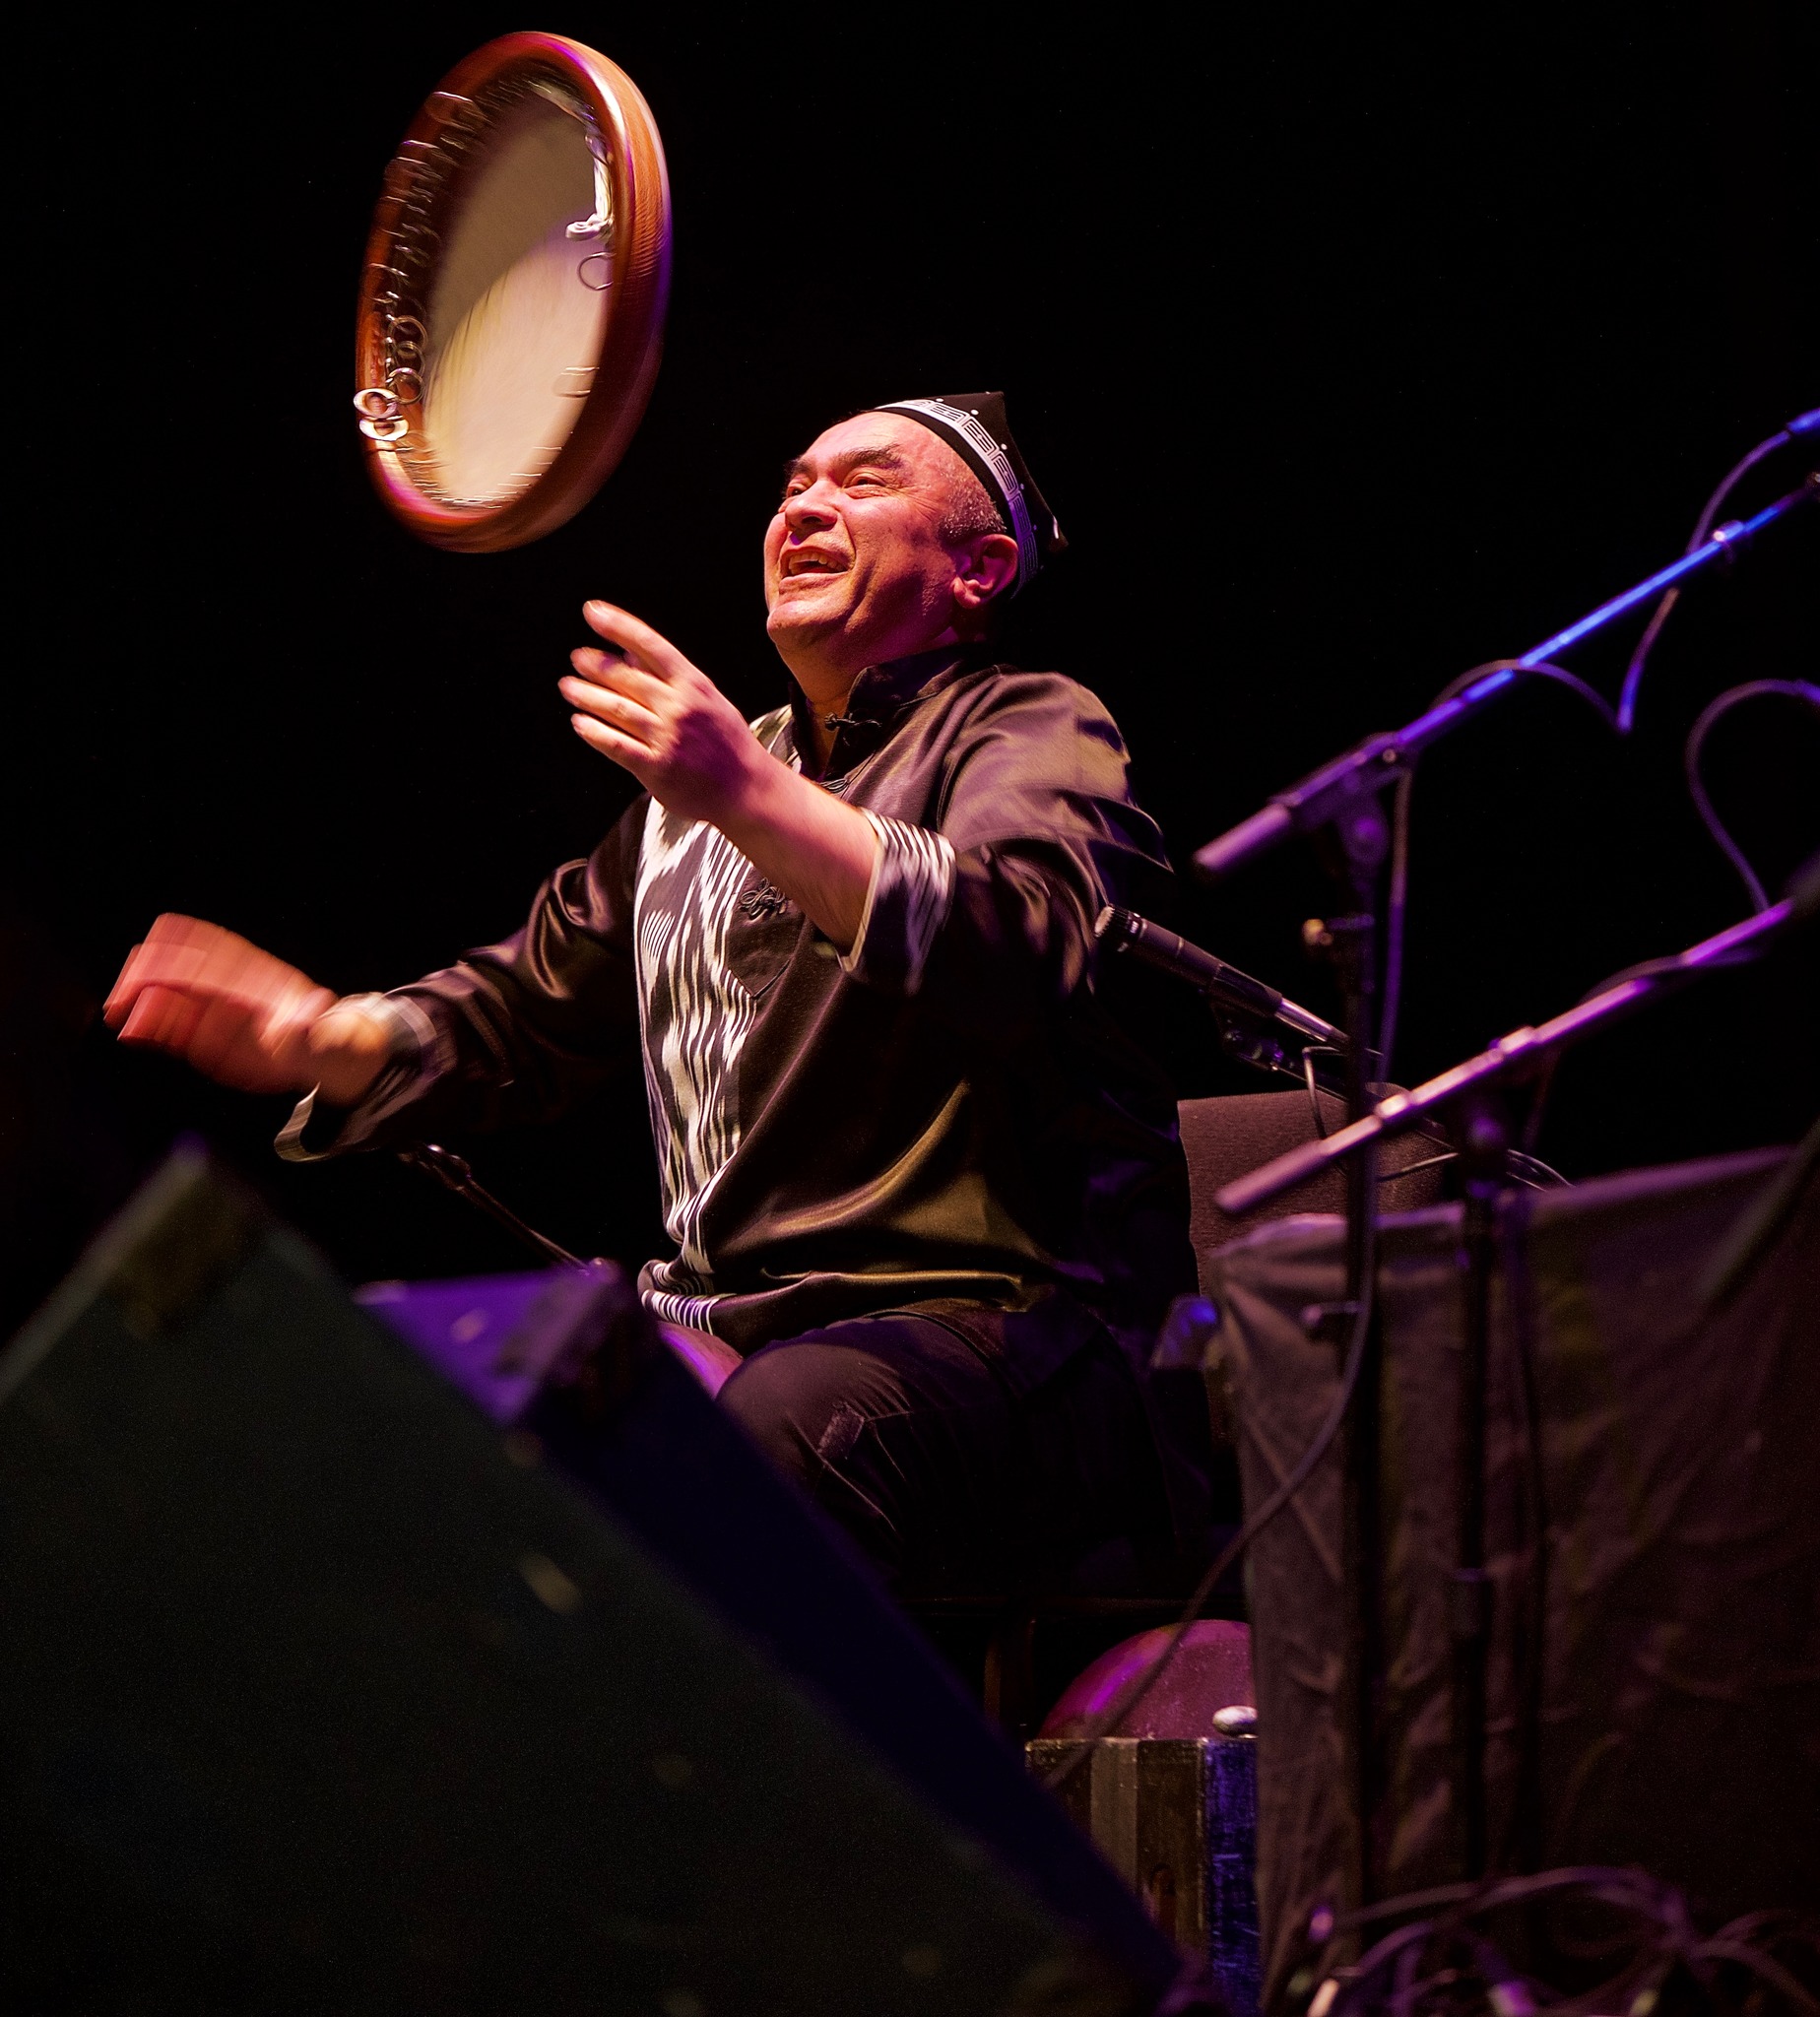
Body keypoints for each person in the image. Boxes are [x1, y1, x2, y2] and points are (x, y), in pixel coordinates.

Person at [105, 392, 1197, 1594]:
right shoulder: (701, 797)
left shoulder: (1026, 722)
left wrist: (746, 793)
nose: (807, 505)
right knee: (411, 1414)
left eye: (865, 481)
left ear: (980, 570)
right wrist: (325, 1034)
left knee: (781, 1434)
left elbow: (1022, 941)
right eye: (794, 483)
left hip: (1003, 1334)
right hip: (727, 1334)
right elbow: (521, 1011)